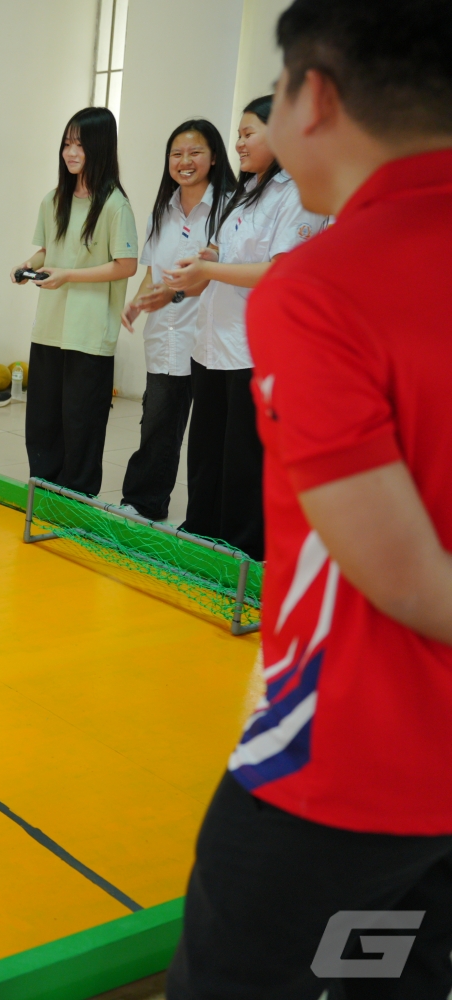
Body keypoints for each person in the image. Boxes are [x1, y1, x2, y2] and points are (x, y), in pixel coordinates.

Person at [166, 1, 452, 996]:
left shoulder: (320, 286)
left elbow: (405, 578)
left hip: (346, 767)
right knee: (394, 975)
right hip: (426, 797)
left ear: (314, 96)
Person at [162, 96, 326, 559]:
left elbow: (281, 271)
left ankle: (242, 555)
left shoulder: (300, 193)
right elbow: (224, 251)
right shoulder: (248, 189)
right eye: (238, 134)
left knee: (243, 460)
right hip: (213, 343)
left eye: (248, 133)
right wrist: (204, 261)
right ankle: (201, 536)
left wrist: (210, 269)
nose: (238, 143)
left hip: (256, 350)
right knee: (206, 451)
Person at [11, 107, 139, 497]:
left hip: (89, 333)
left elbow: (126, 264)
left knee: (81, 424)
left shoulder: (115, 205)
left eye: (80, 144)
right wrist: (28, 266)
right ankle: (44, 497)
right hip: (50, 328)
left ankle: (77, 502)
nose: (70, 152)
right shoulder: (53, 200)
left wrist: (68, 275)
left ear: (100, 147)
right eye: (67, 143)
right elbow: (48, 250)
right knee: (43, 422)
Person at [117, 120, 235, 521]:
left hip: (211, 341)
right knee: (157, 426)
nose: (185, 161)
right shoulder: (162, 210)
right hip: (164, 337)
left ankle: (209, 520)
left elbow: (214, 277)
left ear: (214, 157)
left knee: (209, 437)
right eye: (177, 154)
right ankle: (143, 503)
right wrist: (137, 303)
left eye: (195, 153)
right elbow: (152, 273)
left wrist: (173, 293)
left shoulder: (229, 209)